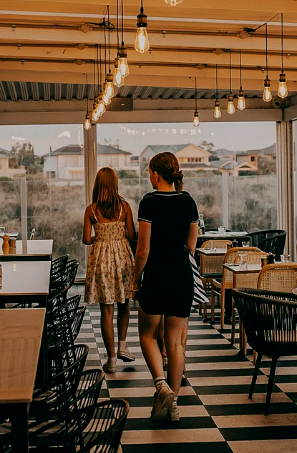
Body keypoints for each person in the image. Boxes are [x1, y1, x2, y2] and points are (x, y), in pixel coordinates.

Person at [132, 152, 199, 424]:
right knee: (175, 343)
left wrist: (135, 279)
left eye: (150, 172)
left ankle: (161, 385)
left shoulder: (149, 202)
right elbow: (191, 246)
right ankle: (174, 406)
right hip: (182, 276)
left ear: (156, 175)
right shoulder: (188, 201)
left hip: (157, 275)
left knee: (147, 335)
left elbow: (143, 249)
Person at [82, 167, 137, 373]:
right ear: (115, 184)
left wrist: (101, 237)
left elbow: (86, 239)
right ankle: (123, 346)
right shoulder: (125, 207)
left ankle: (111, 359)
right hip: (123, 258)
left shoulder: (91, 210)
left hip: (101, 260)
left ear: (97, 184)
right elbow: (131, 236)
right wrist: (117, 236)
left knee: (106, 310)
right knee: (125, 303)